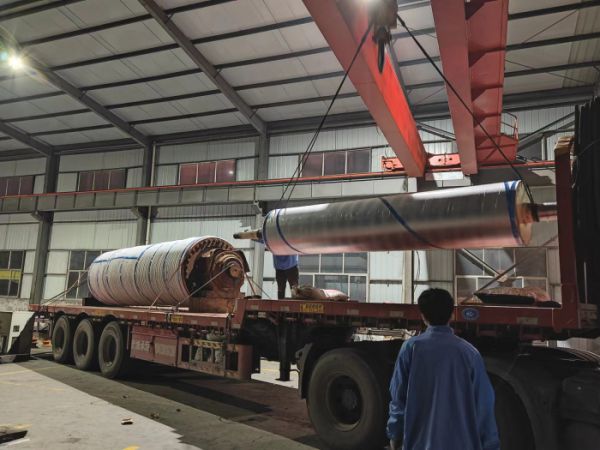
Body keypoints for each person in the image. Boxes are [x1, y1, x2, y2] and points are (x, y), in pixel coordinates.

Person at [387, 288, 500, 450]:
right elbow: (484, 404)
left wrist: (395, 434)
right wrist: (490, 445)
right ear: (452, 315)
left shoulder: (410, 349)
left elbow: (398, 398)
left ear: (423, 316)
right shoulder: (469, 353)